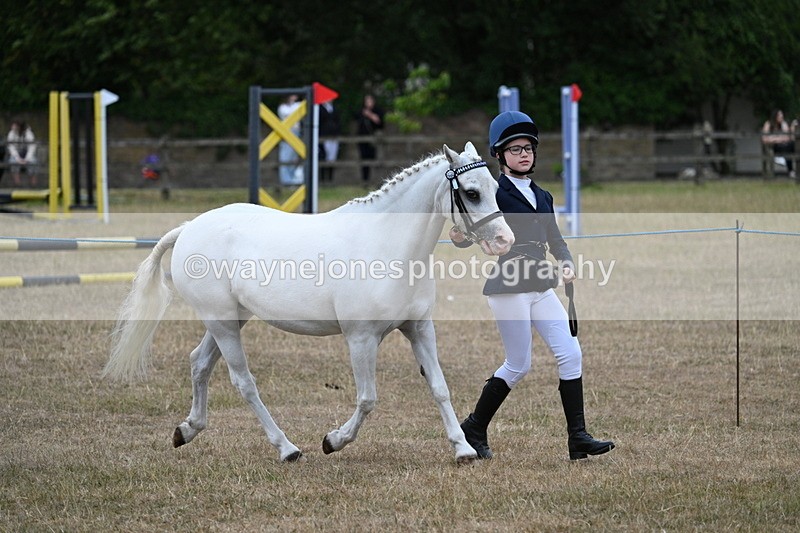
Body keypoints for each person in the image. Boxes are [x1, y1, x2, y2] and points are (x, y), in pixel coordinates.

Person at [450, 110, 615, 461]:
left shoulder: (544, 196)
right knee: (518, 364)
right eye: (515, 149)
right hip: (509, 287)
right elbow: (473, 227)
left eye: (528, 148)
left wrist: (567, 262)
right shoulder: (495, 192)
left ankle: (578, 437)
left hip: (541, 285)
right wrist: (461, 238)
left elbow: (555, 239)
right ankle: (474, 426)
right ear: (499, 155)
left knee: (571, 353)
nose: (524, 154)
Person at [355, 93, 384, 182]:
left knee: (375, 158)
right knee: (364, 159)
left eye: (370, 101)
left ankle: (377, 179)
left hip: (374, 139)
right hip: (362, 139)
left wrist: (370, 115)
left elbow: (380, 123)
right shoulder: (361, 112)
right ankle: (365, 180)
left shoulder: (378, 111)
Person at [277, 94, 305, 186]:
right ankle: (286, 180)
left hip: (296, 133)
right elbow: (288, 115)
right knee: (285, 157)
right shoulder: (282, 107)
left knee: (294, 158)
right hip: (286, 132)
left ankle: (292, 180)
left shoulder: (297, 105)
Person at [761, 109, 796, 178]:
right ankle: (790, 170)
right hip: (773, 146)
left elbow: (787, 138)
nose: (781, 116)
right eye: (779, 115)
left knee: (792, 146)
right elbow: (764, 139)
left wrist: (773, 138)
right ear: (775, 116)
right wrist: (778, 139)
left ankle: (791, 171)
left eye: (782, 114)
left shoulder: (783, 124)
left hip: (785, 146)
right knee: (787, 148)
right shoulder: (768, 124)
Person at [6, 120, 37, 186]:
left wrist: (27, 159)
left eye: (15, 125)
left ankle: (33, 184)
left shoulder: (29, 133)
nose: (13, 127)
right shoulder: (11, 133)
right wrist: (18, 158)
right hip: (16, 154)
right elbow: (11, 148)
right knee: (12, 162)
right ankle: (17, 183)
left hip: (27, 154)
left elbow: (32, 147)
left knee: (33, 162)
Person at [318, 100, 341, 182]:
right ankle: (323, 179)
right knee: (324, 156)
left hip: (333, 136)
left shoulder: (334, 108)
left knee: (332, 157)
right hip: (324, 135)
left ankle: (330, 179)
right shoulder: (320, 108)